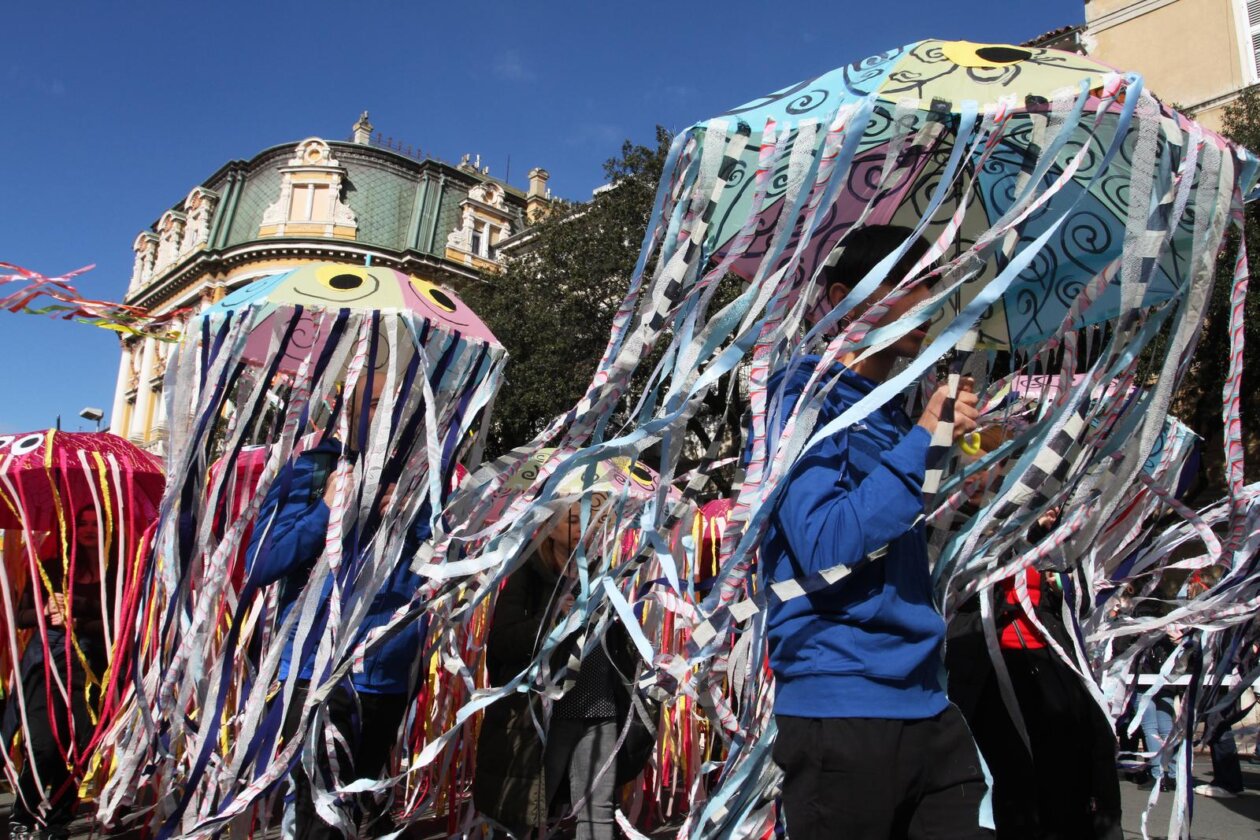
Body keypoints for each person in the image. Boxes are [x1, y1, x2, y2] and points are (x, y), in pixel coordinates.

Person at [761, 225, 991, 840]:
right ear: (846, 298)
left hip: (926, 701)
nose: (925, 307)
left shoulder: (893, 413)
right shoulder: (802, 397)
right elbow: (824, 545)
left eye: (932, 291)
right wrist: (921, 442)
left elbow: (904, 544)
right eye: (908, 288)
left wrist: (949, 454)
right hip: (842, 703)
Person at [246, 437, 434, 839]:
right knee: (320, 816)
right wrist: (326, 509)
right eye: (384, 372)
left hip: (388, 672)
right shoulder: (310, 471)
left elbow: (448, 561)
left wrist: (413, 519)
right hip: (319, 672)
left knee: (357, 811)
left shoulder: (425, 468)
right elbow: (262, 564)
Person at [473, 496, 652, 839]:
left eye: (592, 520)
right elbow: (502, 643)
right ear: (548, 528)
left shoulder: (604, 572)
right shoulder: (528, 574)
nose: (583, 529)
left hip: (601, 709)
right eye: (573, 521)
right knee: (523, 811)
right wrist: (551, 617)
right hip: (546, 714)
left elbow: (619, 642)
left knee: (598, 811)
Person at [947, 506, 1123, 840]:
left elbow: (1083, 602)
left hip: (1048, 661)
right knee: (1009, 773)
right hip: (987, 670)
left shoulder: (1057, 543)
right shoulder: (978, 531)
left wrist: (1059, 573)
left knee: (1069, 764)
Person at [8, 506, 113, 840]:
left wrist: (78, 618)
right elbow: (22, 615)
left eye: (95, 523)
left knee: (80, 746)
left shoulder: (118, 570)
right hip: (45, 664)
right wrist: (46, 610)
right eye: (82, 523)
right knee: (42, 744)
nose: (88, 530)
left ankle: (58, 819)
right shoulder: (52, 568)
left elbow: (119, 623)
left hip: (91, 670)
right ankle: (23, 814)